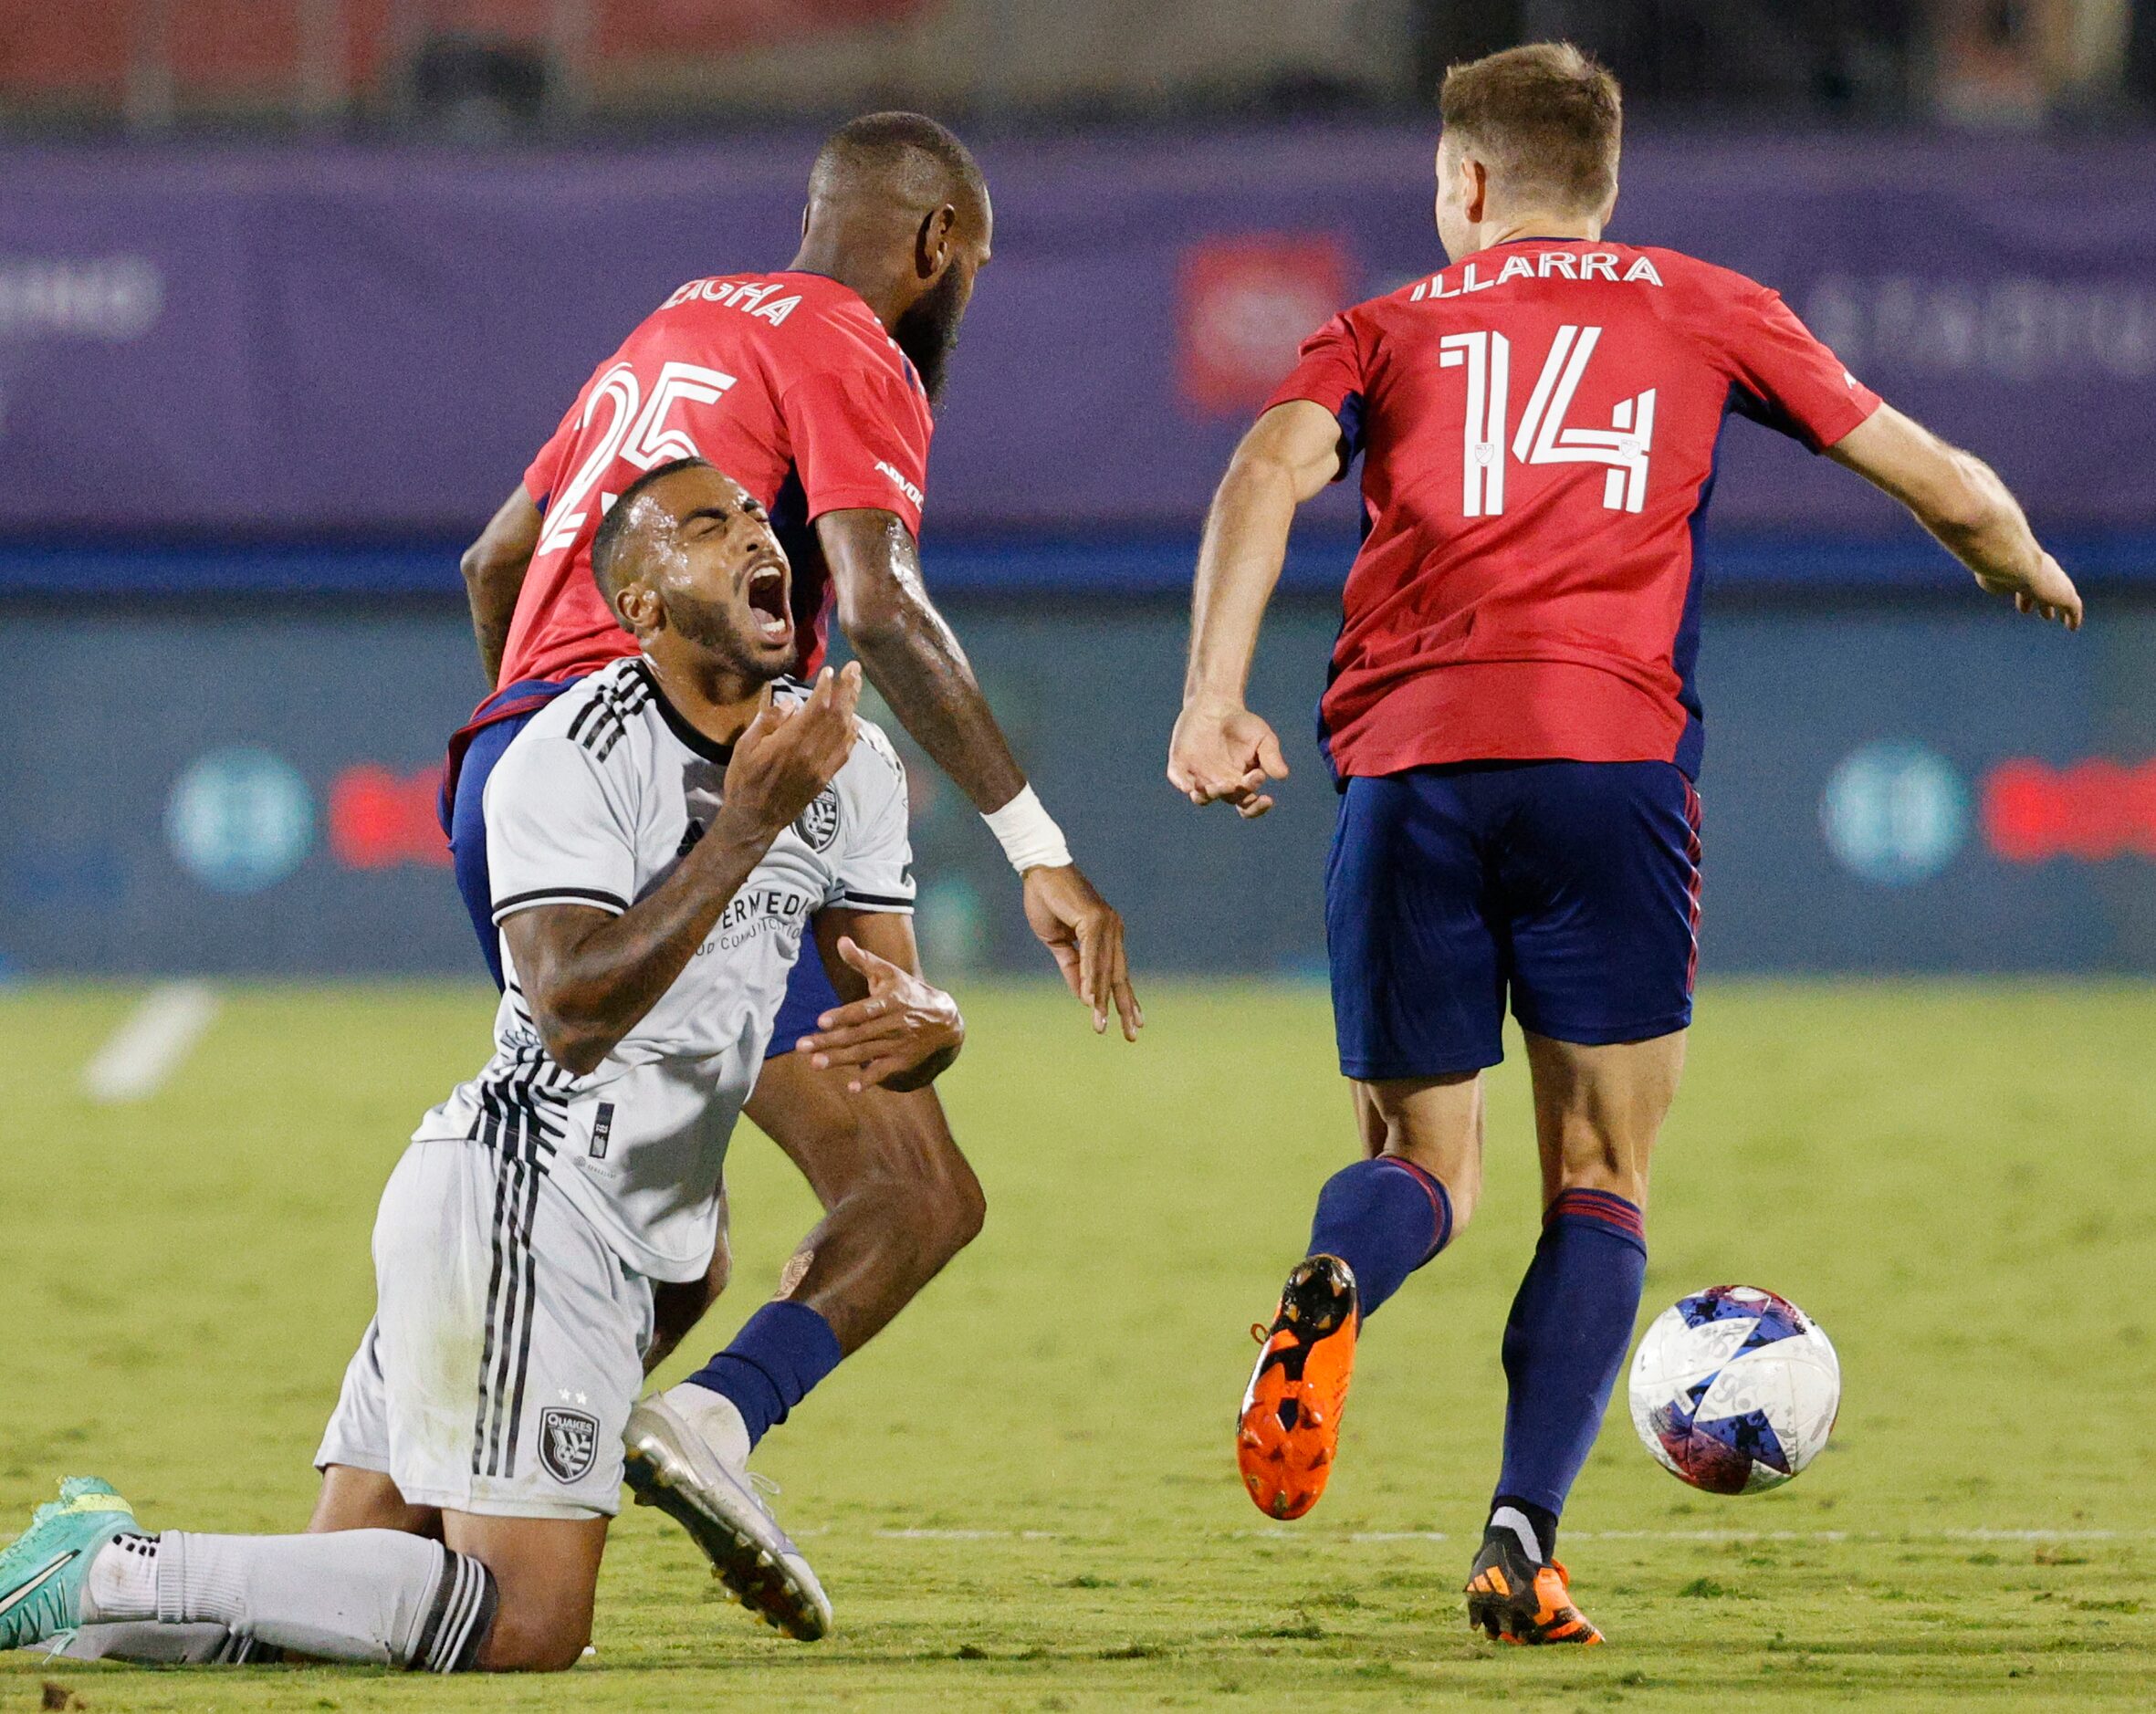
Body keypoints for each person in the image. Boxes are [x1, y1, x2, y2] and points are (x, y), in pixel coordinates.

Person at [1168, 42, 2081, 1647]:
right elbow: (1929, 472)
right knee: (1598, 1177)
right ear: (1601, 189)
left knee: (1413, 1167)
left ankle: (1331, 1287)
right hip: (1612, 766)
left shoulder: (1378, 327)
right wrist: (2023, 562)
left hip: (1406, 766)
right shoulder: (1700, 300)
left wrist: (1210, 697)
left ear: (1462, 184)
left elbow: (1264, 469)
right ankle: (1519, 1540)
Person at [1, 458, 968, 1672]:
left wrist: (934, 1026)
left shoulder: (849, 763)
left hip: (605, 1229)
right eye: (707, 526)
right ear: (644, 611)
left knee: (307, 1618)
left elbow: (889, 995)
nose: (755, 536)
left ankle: (78, 1607)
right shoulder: (569, 752)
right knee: (524, 1619)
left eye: (755, 519)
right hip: (521, 1201)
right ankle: (99, 1560)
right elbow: (568, 1009)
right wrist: (742, 827)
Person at [448, 111, 1139, 1634]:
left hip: (510, 765)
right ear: (938, 245)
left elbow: (494, 564)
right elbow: (880, 608)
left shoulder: (679, 321)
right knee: (910, 1189)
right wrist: (1042, 848)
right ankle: (700, 1426)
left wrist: (555, 758)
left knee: (663, 1245)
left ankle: (421, 1480)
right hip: (682, 778)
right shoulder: (854, 347)